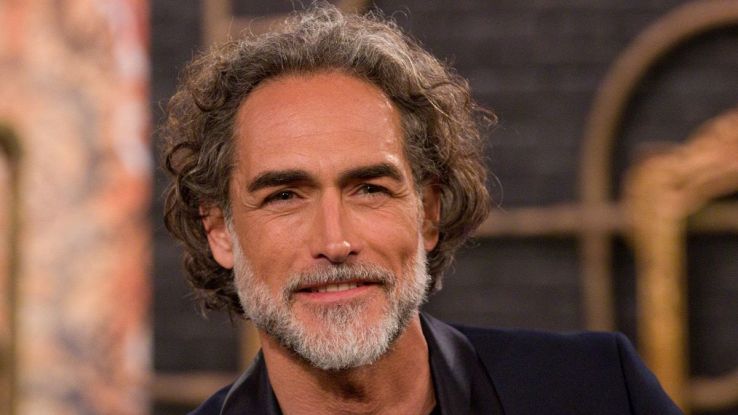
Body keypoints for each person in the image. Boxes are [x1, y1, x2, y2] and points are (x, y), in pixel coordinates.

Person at [160, 4, 682, 414]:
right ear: (220, 231)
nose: (335, 242)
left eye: (369, 189)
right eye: (284, 197)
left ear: (428, 211)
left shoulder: (598, 389)